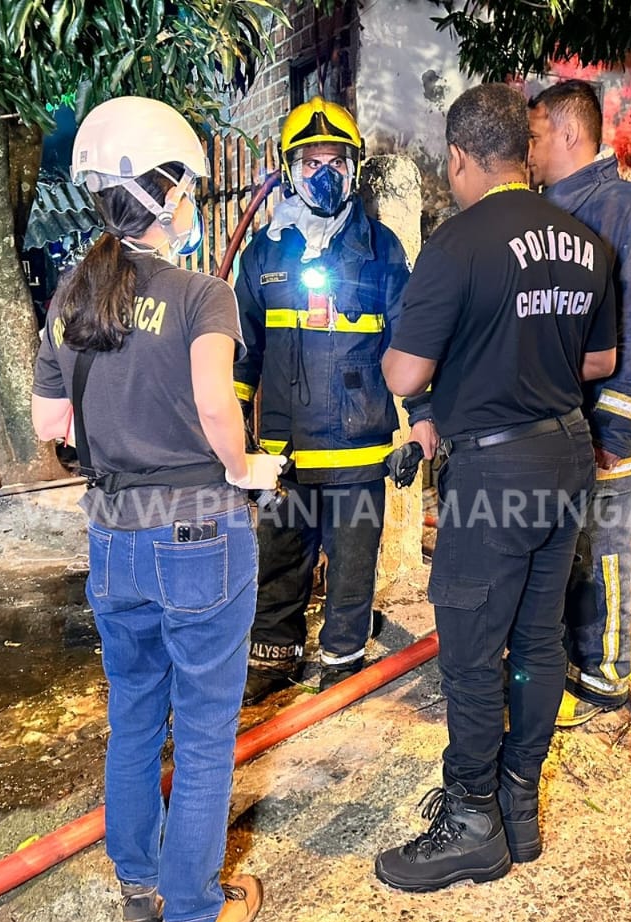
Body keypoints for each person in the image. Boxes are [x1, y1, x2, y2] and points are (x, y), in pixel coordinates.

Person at [30, 96, 285, 922]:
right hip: (199, 536)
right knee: (206, 730)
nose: (193, 208)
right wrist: (247, 468)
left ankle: (138, 888)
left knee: (135, 716)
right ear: (166, 191)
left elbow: (49, 424)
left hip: (112, 536)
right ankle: (190, 919)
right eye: (191, 193)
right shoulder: (202, 296)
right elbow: (218, 403)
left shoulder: (74, 295)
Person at [374, 83, 617, 892]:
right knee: (540, 638)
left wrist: (458, 380)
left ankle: (472, 822)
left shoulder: (457, 244)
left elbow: (406, 370)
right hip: (567, 456)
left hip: (496, 472)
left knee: (474, 651)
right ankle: (520, 803)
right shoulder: (586, 241)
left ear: (461, 158)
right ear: (525, 149)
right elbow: (598, 364)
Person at [232, 97, 430, 702]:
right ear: (289, 169)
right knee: (279, 567)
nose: (325, 174)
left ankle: (342, 664)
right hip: (282, 461)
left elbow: (410, 345)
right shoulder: (265, 252)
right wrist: (235, 434)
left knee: (351, 572)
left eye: (337, 161)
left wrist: (421, 425)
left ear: (354, 168)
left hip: (357, 455)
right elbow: (244, 353)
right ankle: (274, 662)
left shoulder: (381, 251)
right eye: (311, 161)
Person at [528, 80, 631, 726]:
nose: (525, 149)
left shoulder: (626, 211)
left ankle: (604, 674)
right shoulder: (548, 210)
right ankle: (565, 657)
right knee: (564, 546)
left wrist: (618, 421)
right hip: (555, 425)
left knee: (603, 544)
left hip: (602, 424)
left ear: (567, 133)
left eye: (533, 136)